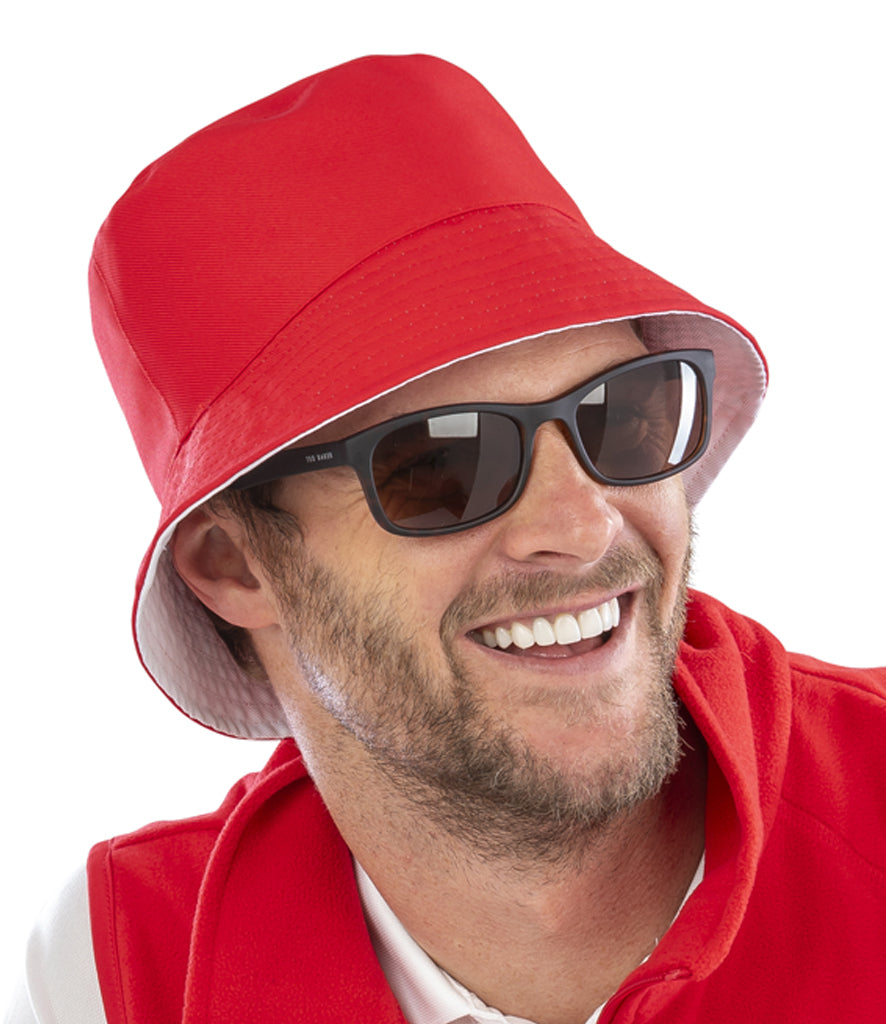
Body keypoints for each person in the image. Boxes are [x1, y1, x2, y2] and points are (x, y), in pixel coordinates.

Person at [7, 53, 885, 1024]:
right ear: (235, 563)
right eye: (443, 464)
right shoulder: (116, 973)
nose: (582, 523)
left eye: (618, 414)